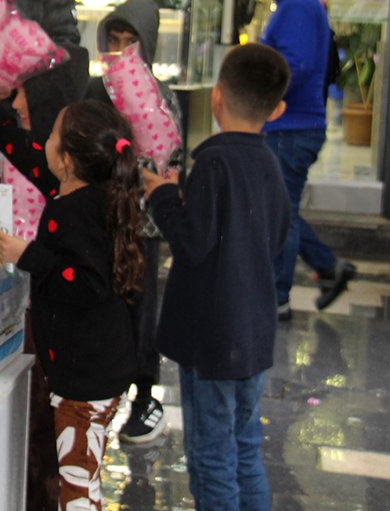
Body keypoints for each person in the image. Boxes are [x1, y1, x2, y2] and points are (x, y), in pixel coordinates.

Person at [142, 43, 293, 511]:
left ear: (216, 98)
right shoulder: (270, 163)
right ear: (279, 109)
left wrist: (164, 196)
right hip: (254, 335)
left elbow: (193, 243)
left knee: (210, 456)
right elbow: (279, 237)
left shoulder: (213, 161)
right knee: (245, 446)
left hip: (212, 338)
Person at [0, 96, 143, 511]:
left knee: (78, 489)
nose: (43, 142)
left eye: (51, 135)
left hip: (84, 384)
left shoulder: (77, 211)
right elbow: (26, 151)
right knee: (82, 472)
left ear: (68, 159)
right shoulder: (81, 188)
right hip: (99, 371)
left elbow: (88, 283)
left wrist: (28, 255)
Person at [86, 0, 184, 444]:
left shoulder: (162, 98)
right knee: (105, 307)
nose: (120, 50)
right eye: (114, 40)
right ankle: (104, 390)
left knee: (142, 312)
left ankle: (145, 395)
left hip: (143, 227)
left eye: (131, 42)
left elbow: (173, 159)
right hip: (103, 221)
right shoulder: (95, 92)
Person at [251, 0, 355, 320]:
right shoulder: (295, 3)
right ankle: (329, 267)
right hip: (290, 125)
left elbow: (293, 68)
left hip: (290, 127)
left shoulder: (296, 7)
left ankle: (277, 298)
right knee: (283, 208)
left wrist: (258, 96)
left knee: (282, 213)